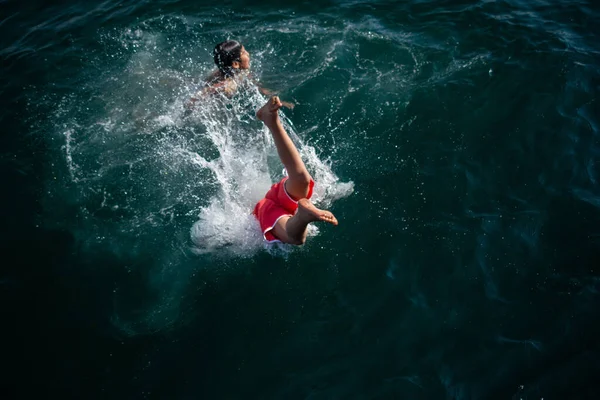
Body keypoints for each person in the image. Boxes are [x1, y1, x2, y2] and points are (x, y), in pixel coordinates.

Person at [253, 96, 337, 245]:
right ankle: (271, 121)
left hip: (266, 209)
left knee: (294, 236)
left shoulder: (263, 211)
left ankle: (302, 217)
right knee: (301, 180)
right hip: (273, 203)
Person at [187, 40, 293, 107]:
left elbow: (254, 86)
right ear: (236, 64)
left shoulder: (228, 71)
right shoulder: (228, 84)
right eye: (243, 53)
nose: (248, 54)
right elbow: (200, 96)